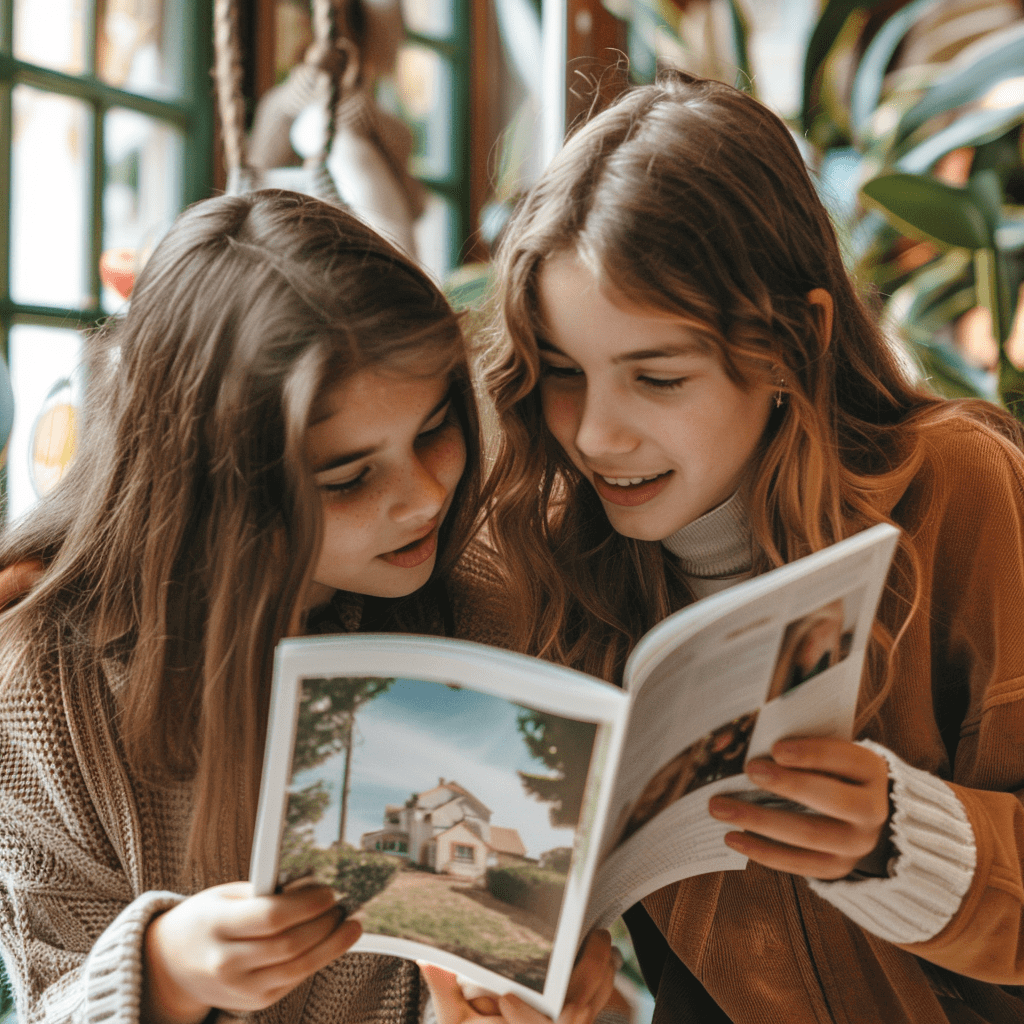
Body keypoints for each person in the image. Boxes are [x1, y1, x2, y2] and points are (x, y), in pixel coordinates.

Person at [482, 70, 1024, 1023]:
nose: (597, 434)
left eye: (656, 378)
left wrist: (907, 842)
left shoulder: (959, 491)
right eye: (563, 373)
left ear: (793, 344)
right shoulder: (553, 557)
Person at [0, 189, 616, 1024]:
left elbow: (472, 956)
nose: (426, 494)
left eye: (435, 429)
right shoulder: (47, 688)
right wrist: (163, 973)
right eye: (349, 477)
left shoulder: (484, 610)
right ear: (210, 490)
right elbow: (48, 993)